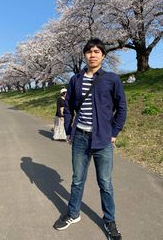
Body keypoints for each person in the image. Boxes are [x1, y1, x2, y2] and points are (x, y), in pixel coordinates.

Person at [53, 38, 127, 240]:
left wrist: (114, 132)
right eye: (89, 51)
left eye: (97, 51)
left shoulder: (112, 79)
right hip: (80, 138)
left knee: (105, 182)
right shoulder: (75, 79)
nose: (92, 54)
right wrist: (68, 130)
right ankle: (73, 213)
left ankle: (109, 220)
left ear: (103, 55)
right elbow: (68, 107)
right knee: (77, 180)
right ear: (84, 55)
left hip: (103, 139)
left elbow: (121, 108)